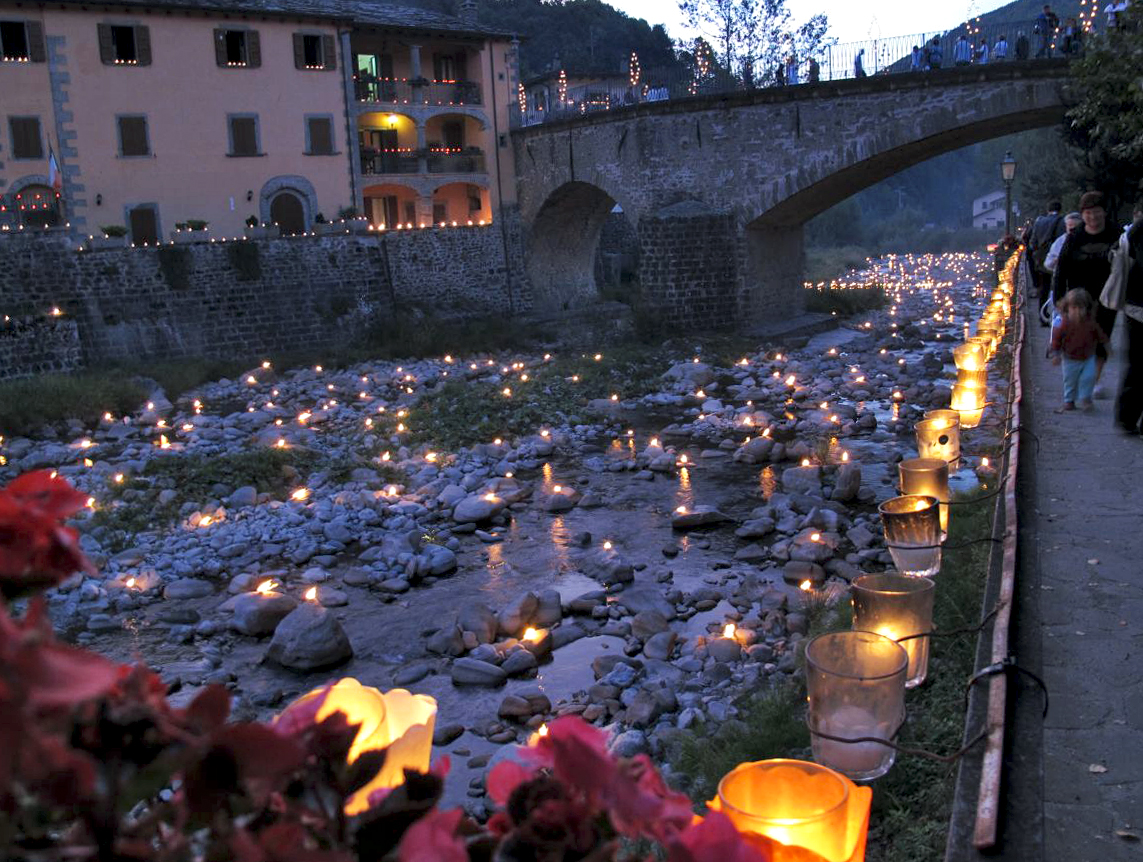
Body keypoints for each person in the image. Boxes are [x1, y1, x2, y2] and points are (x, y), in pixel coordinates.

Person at [1053, 190, 1124, 397]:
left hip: (1108, 295)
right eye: (1088, 213)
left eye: (1097, 212)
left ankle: (1093, 381)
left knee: (1102, 336)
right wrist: (1059, 297)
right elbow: (1061, 269)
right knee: (1079, 337)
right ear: (1082, 215)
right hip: (1079, 297)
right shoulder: (1075, 238)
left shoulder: (1116, 234)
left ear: (1104, 212)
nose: (1093, 217)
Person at [1101, 205, 1143, 433]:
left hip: (1135, 306)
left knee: (1136, 364)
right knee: (1137, 364)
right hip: (1138, 307)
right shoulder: (1139, 231)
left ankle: (1127, 417)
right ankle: (1127, 417)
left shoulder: (1136, 229)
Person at [1050, 288, 1109, 411]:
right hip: (1069, 358)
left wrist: (1106, 345)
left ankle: (1086, 398)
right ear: (1067, 308)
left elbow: (1099, 334)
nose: (1077, 312)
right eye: (1074, 308)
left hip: (1088, 357)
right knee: (1070, 380)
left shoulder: (1090, 323)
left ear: (1086, 309)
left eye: (1080, 308)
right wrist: (1055, 354)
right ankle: (1069, 400)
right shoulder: (1064, 323)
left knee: (1089, 377)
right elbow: (1056, 339)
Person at [1029, 201, 1067, 297]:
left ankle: (1043, 309)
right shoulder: (1064, 222)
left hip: (1043, 258)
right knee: (1060, 284)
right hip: (1059, 258)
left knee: (1044, 285)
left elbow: (1033, 243)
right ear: (1060, 210)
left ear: (1048, 210)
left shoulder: (1039, 222)